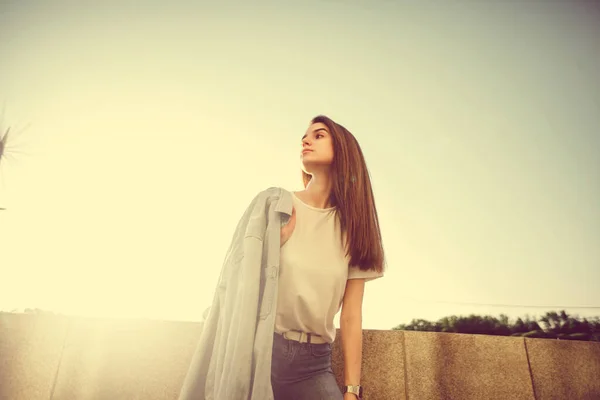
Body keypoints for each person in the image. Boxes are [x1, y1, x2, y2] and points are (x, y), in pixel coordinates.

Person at [271, 115, 385, 399]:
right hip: (261, 350)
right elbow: (243, 277)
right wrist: (274, 245)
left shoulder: (355, 229)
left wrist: (351, 390)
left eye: (319, 135)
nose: (305, 140)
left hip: (313, 365)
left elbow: (351, 316)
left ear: (344, 152)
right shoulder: (279, 205)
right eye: (305, 136)